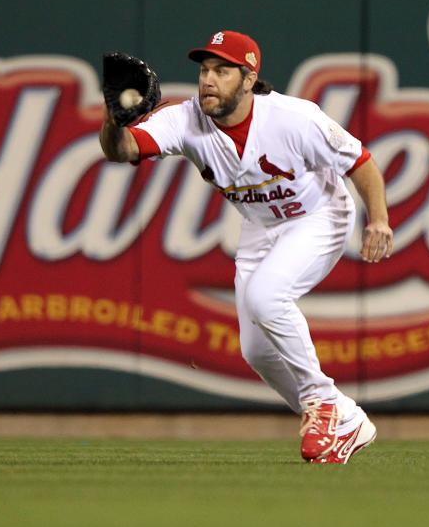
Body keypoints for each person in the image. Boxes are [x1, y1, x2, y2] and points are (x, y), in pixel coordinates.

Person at [99, 30, 393, 464]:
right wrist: (114, 120)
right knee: (256, 350)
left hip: (319, 215)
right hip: (261, 225)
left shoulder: (294, 118)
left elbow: (359, 161)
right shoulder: (185, 119)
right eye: (204, 70)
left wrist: (379, 219)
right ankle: (347, 420)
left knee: (267, 296)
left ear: (249, 78)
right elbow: (121, 151)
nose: (208, 80)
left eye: (222, 71)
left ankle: (323, 402)